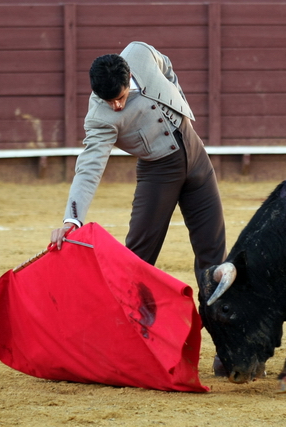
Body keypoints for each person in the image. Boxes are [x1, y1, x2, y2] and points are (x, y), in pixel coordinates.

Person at [50, 41, 226, 285]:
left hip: (197, 158)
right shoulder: (99, 118)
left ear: (129, 75)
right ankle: (127, 319)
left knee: (214, 252)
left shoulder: (140, 53)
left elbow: (166, 67)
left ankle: (220, 317)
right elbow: (89, 166)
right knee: (138, 256)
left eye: (120, 98)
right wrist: (72, 219)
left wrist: (179, 103)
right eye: (109, 102)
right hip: (158, 173)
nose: (117, 106)